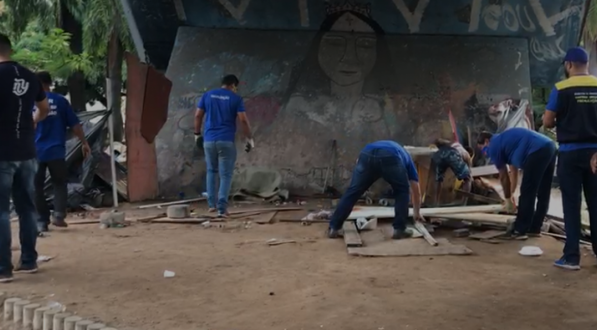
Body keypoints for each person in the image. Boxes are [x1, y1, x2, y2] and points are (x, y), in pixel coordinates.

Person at [0, 33, 50, 282]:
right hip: (28, 152)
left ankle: (3, 268)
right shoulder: (30, 76)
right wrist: (32, 120)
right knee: (27, 209)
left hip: (2, 153)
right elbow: (44, 108)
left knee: (0, 212)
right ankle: (29, 261)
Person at [543, 46, 597, 270]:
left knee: (571, 205)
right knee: (595, 203)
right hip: (595, 154)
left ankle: (572, 257)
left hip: (570, 153)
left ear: (568, 65)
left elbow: (547, 121)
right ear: (586, 64)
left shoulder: (561, 88)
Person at [327, 140, 424, 239]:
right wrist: (416, 213)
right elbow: (416, 190)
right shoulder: (407, 159)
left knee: (353, 191)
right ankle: (399, 229)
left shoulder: (391, 148)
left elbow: (358, 162)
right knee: (402, 191)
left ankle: (334, 227)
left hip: (366, 154)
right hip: (391, 157)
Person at [34, 71, 91, 233]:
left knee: (36, 187)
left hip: (35, 152)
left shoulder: (29, 103)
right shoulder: (60, 101)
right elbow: (75, 125)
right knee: (59, 183)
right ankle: (58, 215)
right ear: (50, 83)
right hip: (56, 151)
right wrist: (84, 142)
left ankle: (41, 221)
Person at [477, 128, 556, 240]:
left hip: (536, 151)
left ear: (486, 141)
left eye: (482, 149)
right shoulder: (505, 142)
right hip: (549, 146)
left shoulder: (494, 146)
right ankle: (535, 228)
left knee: (527, 191)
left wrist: (507, 199)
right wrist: (512, 194)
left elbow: (503, 176)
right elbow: (513, 172)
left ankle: (520, 229)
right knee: (543, 191)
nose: (485, 152)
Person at [194, 74, 254, 217]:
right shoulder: (236, 99)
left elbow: (197, 116)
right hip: (226, 141)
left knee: (211, 171)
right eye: (236, 88)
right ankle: (222, 208)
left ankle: (211, 205)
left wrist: (197, 134)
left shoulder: (208, 95)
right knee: (226, 175)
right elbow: (243, 121)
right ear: (233, 85)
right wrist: (249, 139)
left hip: (209, 141)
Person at [431, 138, 472, 206]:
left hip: (438, 155)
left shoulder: (453, 145)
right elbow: (469, 170)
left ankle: (436, 202)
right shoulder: (465, 153)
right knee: (468, 178)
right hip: (452, 154)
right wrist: (469, 174)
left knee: (439, 180)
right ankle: (464, 203)